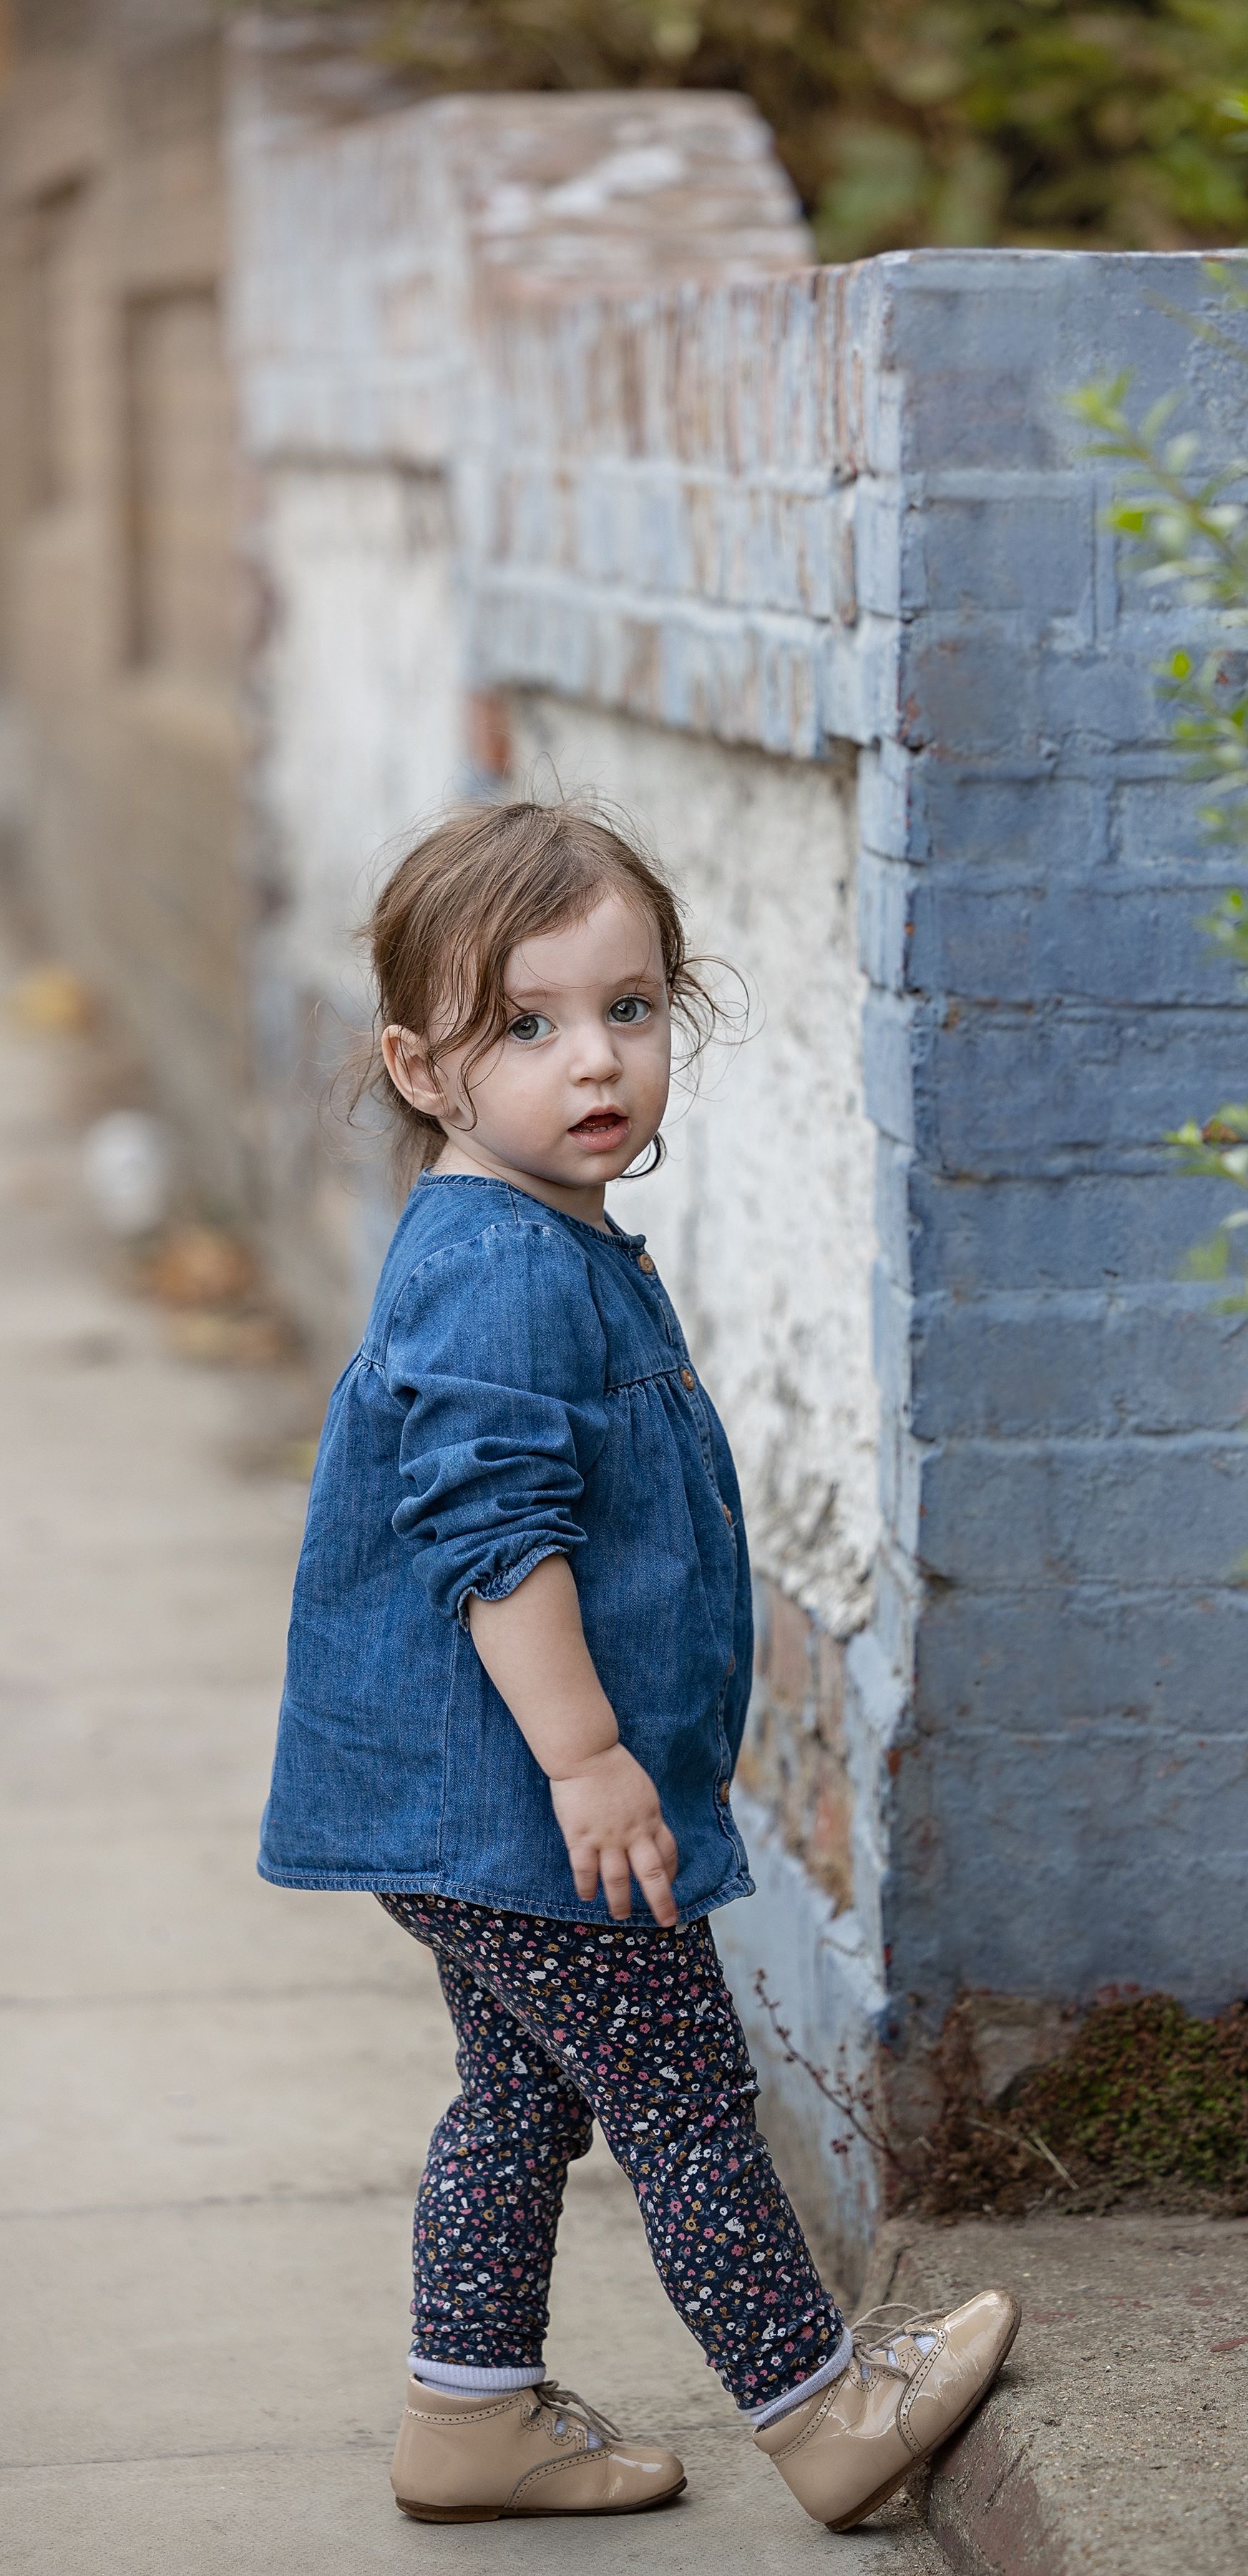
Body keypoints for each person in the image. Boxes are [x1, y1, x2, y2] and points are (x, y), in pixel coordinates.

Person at [257, 799, 1018, 2529]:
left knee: (519, 2098)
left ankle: (470, 2413)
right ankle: (828, 2414)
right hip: (528, 1809)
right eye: (522, 1027)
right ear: (421, 1066)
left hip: (472, 1818)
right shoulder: (501, 1268)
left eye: (630, 1008)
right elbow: (495, 1536)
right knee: (685, 2101)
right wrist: (590, 1759)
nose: (591, 1061)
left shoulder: (537, 1234)